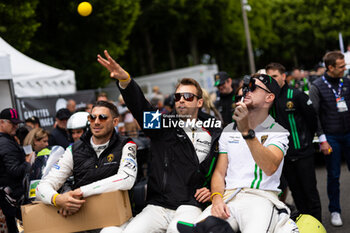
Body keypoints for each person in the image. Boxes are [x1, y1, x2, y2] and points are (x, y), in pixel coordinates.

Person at [98, 50, 222, 233]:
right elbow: (141, 107)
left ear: (199, 102)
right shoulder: (162, 124)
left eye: (187, 97)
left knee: (176, 230)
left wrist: (214, 191)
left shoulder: (216, 132)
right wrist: (126, 81)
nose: (181, 101)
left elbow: (224, 169)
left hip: (190, 205)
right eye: (178, 97)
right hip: (157, 205)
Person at [196, 74, 298, 232]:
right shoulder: (229, 130)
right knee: (200, 229)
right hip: (228, 198)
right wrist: (216, 199)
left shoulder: (278, 131)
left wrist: (246, 131)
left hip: (260, 198)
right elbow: (219, 173)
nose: (246, 91)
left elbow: (270, 167)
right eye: (245, 88)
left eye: (253, 87)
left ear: (269, 97)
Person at [36, 101, 137, 232]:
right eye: (92, 117)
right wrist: (58, 199)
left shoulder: (127, 144)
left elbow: (126, 179)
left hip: (116, 219)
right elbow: (42, 187)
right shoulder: (73, 149)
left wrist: (80, 192)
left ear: (115, 121)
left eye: (103, 117)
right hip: (82, 219)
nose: (96, 122)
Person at [266, 63, 322, 222]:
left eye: (275, 76)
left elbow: (312, 120)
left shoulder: (297, 95)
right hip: (284, 157)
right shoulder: (269, 99)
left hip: (304, 154)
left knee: (310, 194)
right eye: (269, 77)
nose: (272, 80)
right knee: (297, 196)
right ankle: (305, 227)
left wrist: (304, 143)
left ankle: (318, 226)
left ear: (284, 76)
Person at [309, 51, 350, 227]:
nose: (344, 69)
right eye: (341, 66)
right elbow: (314, 116)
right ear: (330, 67)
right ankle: (335, 210)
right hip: (331, 137)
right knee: (333, 175)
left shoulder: (347, 82)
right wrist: (322, 140)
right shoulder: (317, 86)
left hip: (349, 134)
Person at [0, 108, 33, 233]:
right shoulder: (4, 142)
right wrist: (28, 163)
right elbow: (14, 171)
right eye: (12, 123)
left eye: (17, 123)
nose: (16, 126)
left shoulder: (7, 139)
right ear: (1, 123)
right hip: (10, 199)